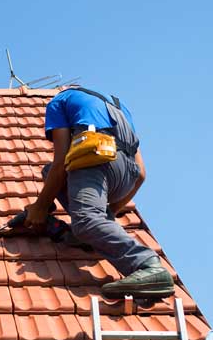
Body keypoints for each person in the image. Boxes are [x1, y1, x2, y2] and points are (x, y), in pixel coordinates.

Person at [24, 86, 174, 299]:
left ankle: (147, 265)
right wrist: (110, 213)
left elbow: (60, 164)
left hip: (96, 158)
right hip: (125, 176)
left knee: (84, 219)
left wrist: (39, 208)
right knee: (50, 174)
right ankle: (93, 232)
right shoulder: (119, 108)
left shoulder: (58, 102)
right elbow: (141, 174)